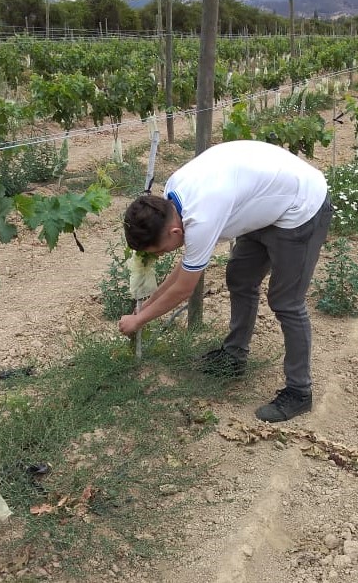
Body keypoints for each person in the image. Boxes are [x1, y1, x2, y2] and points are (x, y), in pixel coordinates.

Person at [118, 139, 332, 422]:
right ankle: (234, 356)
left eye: (159, 250)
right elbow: (184, 269)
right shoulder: (172, 195)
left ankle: (299, 391)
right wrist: (146, 305)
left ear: (173, 232)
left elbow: (184, 286)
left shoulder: (200, 217)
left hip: (301, 207)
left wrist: (140, 320)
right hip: (265, 203)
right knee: (240, 278)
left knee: (286, 302)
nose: (162, 255)